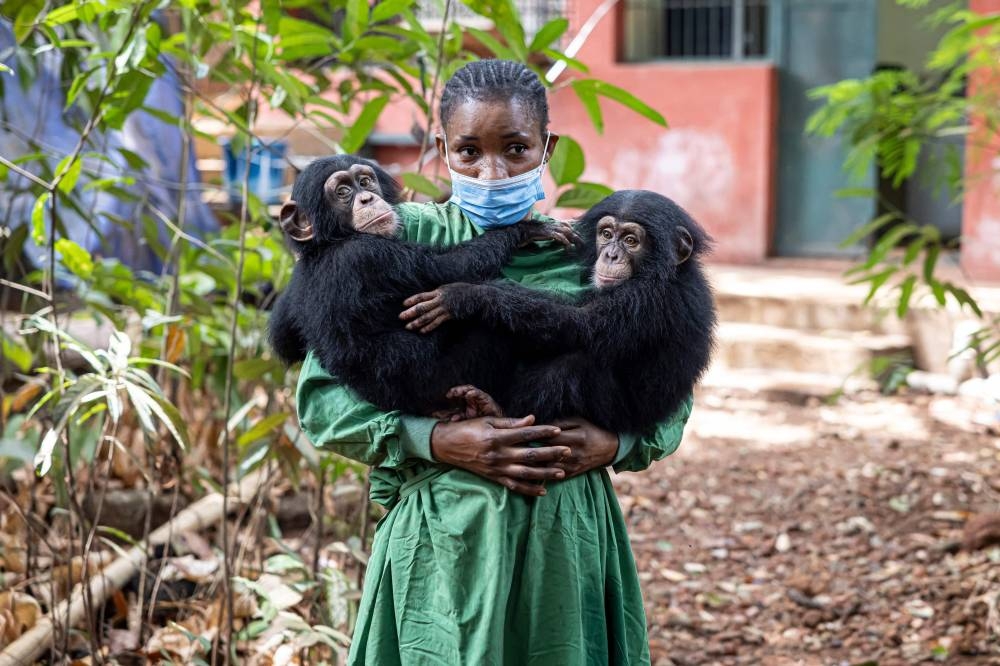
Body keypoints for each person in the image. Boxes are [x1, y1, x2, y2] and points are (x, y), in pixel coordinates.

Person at [295, 59, 693, 665]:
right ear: (442, 150)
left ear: (546, 147)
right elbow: (322, 403)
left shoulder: (593, 249)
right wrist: (435, 439)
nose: (493, 171)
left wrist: (614, 444)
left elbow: (671, 389)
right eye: (469, 153)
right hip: (442, 537)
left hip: (565, 536)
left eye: (515, 149)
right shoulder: (390, 240)